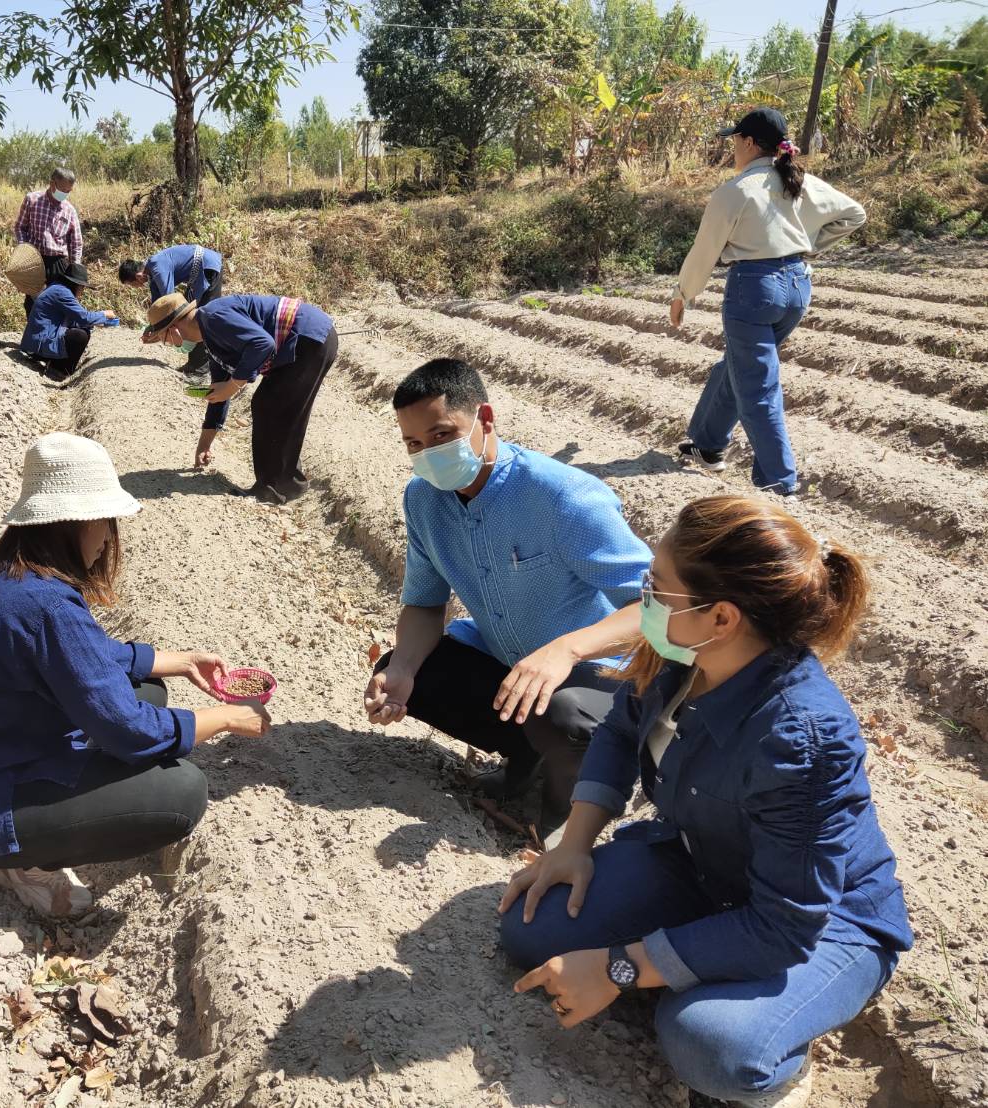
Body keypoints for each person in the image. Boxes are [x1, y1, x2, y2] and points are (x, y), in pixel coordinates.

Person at [498, 495, 911, 1108]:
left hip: (819, 923)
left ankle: (779, 1070)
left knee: (709, 1046)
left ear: (721, 617)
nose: (644, 601)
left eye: (657, 588)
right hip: (701, 863)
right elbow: (617, 730)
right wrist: (575, 844)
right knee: (533, 930)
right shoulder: (683, 657)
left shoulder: (799, 738)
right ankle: (683, 965)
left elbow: (784, 923)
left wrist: (617, 966)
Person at [0, 433, 272, 916]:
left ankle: (36, 823)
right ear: (76, 522)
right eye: (106, 521)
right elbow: (131, 732)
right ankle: (15, 860)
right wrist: (225, 717)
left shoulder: (7, 571)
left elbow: (84, 657)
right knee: (181, 793)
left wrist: (181, 660)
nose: (107, 539)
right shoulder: (46, 604)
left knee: (147, 689)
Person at [363, 359, 651, 841]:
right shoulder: (424, 500)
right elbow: (425, 603)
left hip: (603, 677)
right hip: (515, 665)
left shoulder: (563, 498)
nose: (429, 454)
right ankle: (527, 759)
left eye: (441, 435)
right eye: (414, 444)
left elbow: (659, 606)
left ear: (485, 420)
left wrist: (568, 650)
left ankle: (564, 807)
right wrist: (403, 670)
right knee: (414, 671)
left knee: (565, 716)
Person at [671, 107, 866, 497]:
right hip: (796, 288)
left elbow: (704, 250)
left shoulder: (735, 191)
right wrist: (808, 245)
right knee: (739, 366)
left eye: (734, 141)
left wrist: (682, 296)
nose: (732, 149)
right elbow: (853, 214)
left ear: (748, 142)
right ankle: (707, 445)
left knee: (758, 387)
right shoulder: (798, 181)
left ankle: (779, 483)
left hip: (754, 290)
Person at [142, 290, 338, 505]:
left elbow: (263, 344)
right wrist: (204, 445)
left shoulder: (214, 318)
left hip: (308, 338)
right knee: (276, 406)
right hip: (309, 340)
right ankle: (287, 485)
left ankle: (273, 490)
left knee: (269, 404)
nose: (166, 343)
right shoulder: (211, 338)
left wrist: (234, 384)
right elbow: (218, 394)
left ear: (175, 330)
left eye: (163, 337)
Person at [118, 245, 223, 373]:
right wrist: (151, 328)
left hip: (208, 268)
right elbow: (158, 305)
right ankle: (194, 363)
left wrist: (160, 333)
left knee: (200, 318)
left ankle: (199, 368)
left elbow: (170, 301)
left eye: (132, 285)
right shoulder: (151, 275)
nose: (136, 287)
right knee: (190, 317)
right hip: (197, 276)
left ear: (139, 276)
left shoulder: (157, 266)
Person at [19, 262, 116, 379]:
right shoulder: (62, 293)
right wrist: (104, 314)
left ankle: (59, 367)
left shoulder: (57, 288)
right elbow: (84, 318)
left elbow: (73, 320)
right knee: (80, 335)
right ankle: (59, 370)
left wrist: (95, 322)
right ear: (75, 284)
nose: (82, 291)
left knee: (82, 329)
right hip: (38, 346)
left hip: (36, 342)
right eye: (82, 287)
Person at [14, 167, 82, 316]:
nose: (65, 194)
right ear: (52, 184)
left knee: (58, 303)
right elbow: (20, 227)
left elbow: (76, 242)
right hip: (34, 260)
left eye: (69, 191)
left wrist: (75, 269)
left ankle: (54, 338)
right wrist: (24, 251)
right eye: (63, 189)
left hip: (58, 263)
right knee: (33, 303)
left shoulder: (69, 210)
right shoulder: (32, 200)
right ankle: (35, 337)